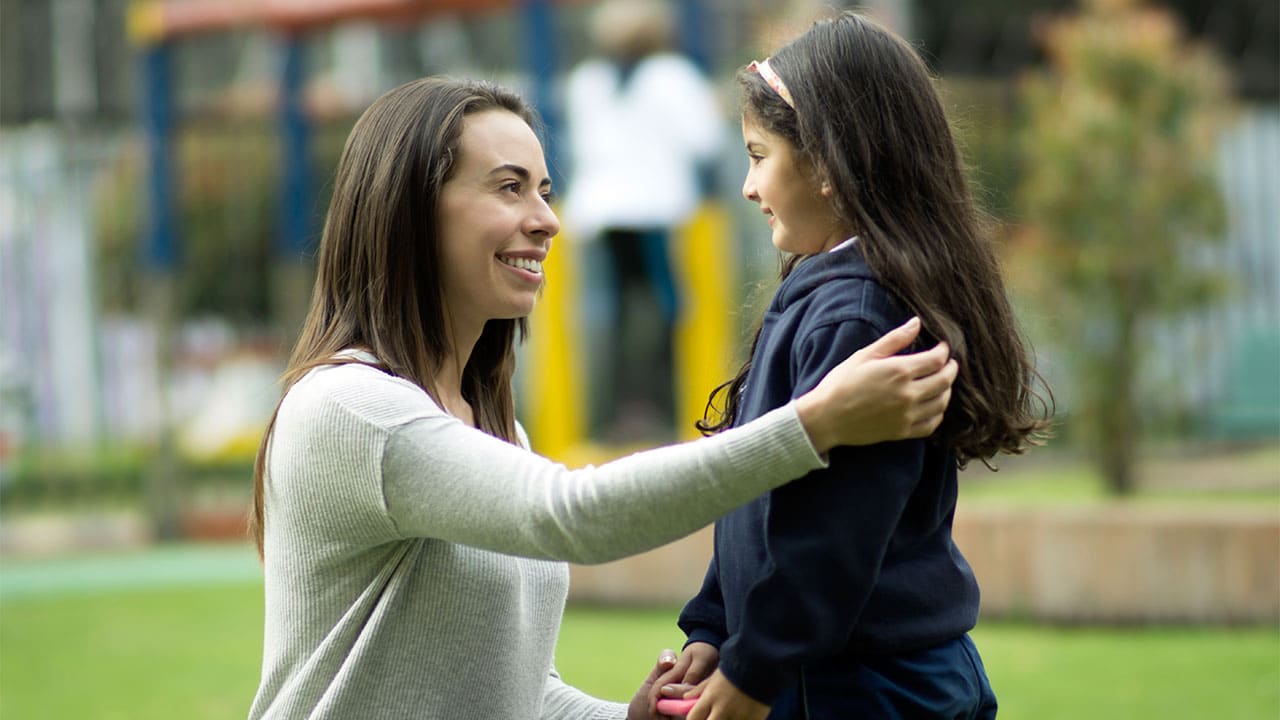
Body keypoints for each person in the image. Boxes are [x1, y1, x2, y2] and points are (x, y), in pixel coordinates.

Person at [245, 76, 959, 720]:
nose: (547, 220)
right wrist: (814, 423)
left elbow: (517, 691)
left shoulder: (495, 434)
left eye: (545, 192)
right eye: (507, 187)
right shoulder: (351, 410)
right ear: (408, 212)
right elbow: (573, 514)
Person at [649, 11, 1053, 720]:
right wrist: (713, 626)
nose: (748, 187)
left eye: (758, 154)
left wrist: (754, 667)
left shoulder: (859, 317)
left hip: (859, 687)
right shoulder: (832, 292)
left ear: (829, 167)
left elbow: (835, 530)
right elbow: (759, 493)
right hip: (843, 671)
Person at [562, 0, 723, 440]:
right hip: (659, 212)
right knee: (669, 310)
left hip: (599, 215)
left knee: (608, 316)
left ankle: (615, 415)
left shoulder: (587, 82)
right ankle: (667, 410)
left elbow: (581, 149)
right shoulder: (675, 78)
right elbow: (705, 141)